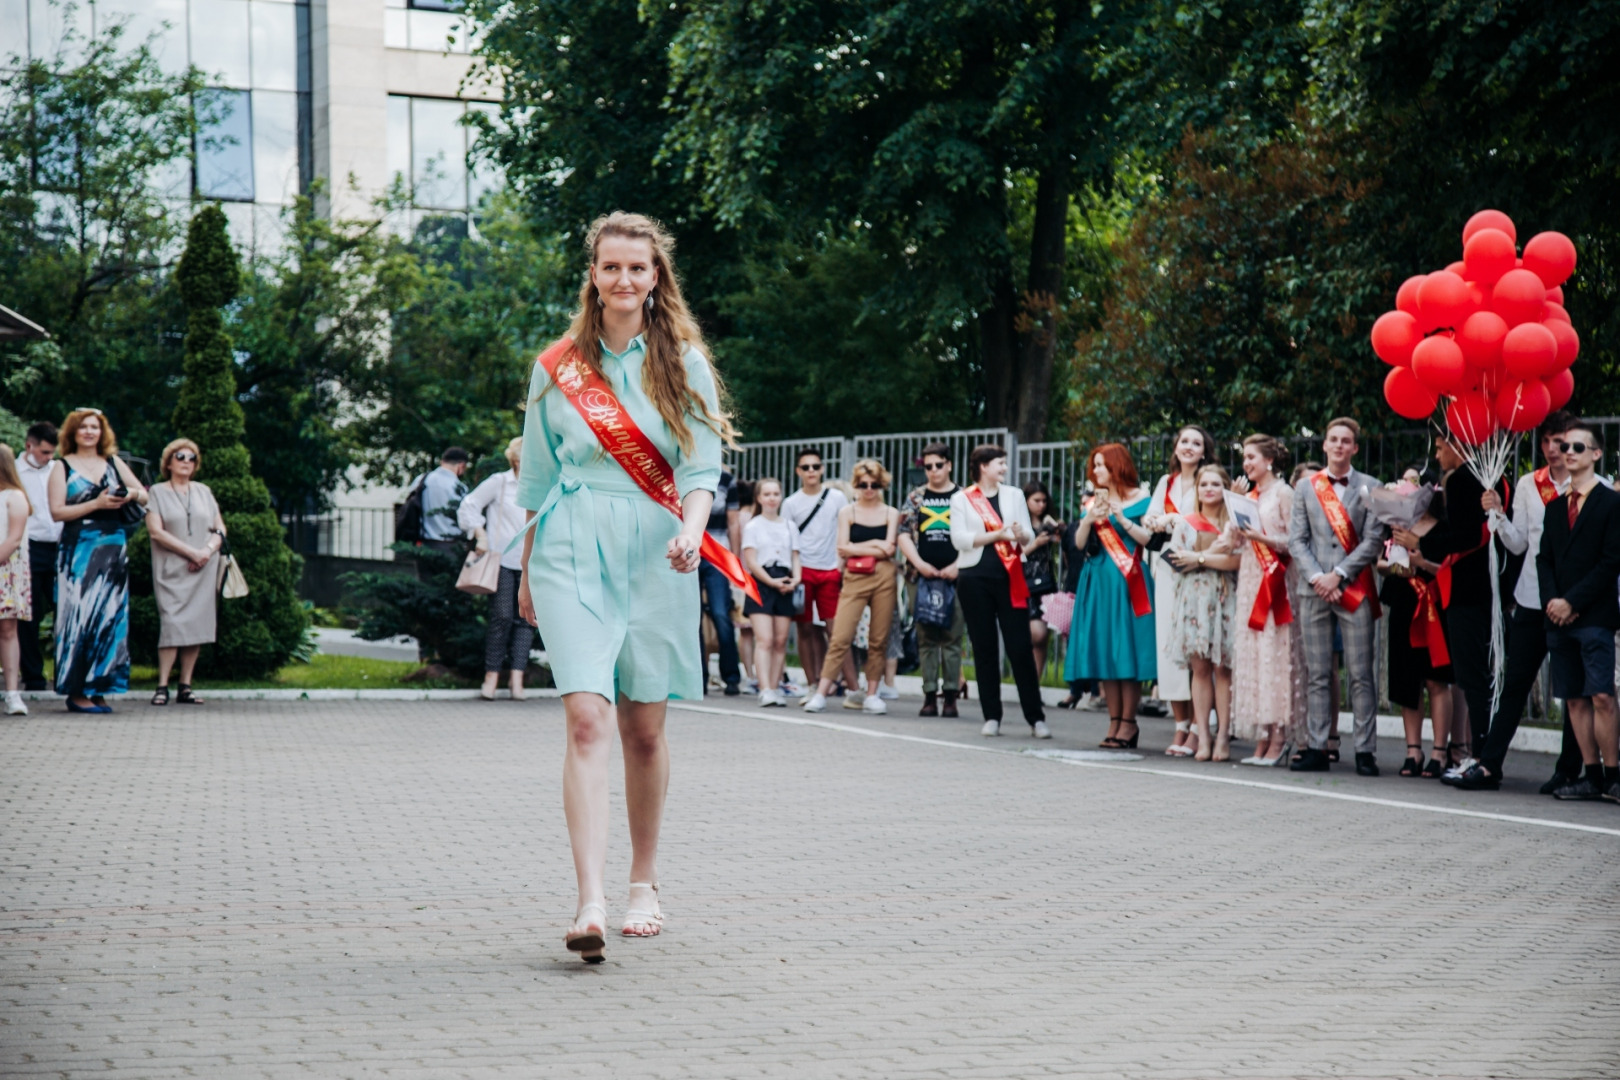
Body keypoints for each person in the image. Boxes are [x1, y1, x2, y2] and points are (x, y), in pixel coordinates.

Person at [514, 211, 736, 961]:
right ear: (594, 275)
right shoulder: (556, 366)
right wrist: (526, 573)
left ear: (656, 277)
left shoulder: (685, 365)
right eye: (611, 267)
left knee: (644, 730)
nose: (623, 279)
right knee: (586, 720)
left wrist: (690, 527)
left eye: (637, 268)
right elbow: (537, 480)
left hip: (656, 547)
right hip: (571, 544)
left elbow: (701, 471)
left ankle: (644, 881)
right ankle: (591, 901)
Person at [1450, 411, 1581, 791]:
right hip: (1530, 598)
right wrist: (1496, 515)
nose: (1553, 450)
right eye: (1546, 442)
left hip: (1571, 603)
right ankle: (1490, 763)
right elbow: (1518, 542)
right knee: (1514, 684)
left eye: (1561, 442)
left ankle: (1567, 770)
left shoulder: (1592, 486)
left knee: (1571, 689)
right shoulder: (1528, 484)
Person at [1390, 436, 1498, 775]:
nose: (1436, 455)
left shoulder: (1462, 489)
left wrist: (1421, 548)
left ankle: (1461, 753)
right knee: (1430, 678)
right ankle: (1438, 751)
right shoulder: (1399, 526)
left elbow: (1465, 542)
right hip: (1429, 595)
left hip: (1454, 595)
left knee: (1455, 678)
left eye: (1440, 447)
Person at [1288, 417, 1387, 775]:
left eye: (1347, 441)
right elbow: (1296, 540)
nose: (1340, 446)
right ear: (1325, 445)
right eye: (1334, 440)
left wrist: (1339, 574)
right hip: (1313, 589)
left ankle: (1365, 750)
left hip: (1354, 588)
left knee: (1361, 674)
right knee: (1317, 673)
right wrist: (1318, 577)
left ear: (1355, 448)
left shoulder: (1371, 486)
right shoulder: (1305, 487)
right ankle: (1317, 746)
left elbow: (1374, 540)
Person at [1533, 422, 1620, 802]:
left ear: (1596, 455)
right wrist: (1554, 602)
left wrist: (1573, 602)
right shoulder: (1554, 507)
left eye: (1577, 447)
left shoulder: (1611, 502)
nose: (1567, 452)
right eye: (1563, 445)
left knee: (1601, 695)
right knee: (1573, 698)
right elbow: (1544, 559)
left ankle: (1614, 775)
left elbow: (1610, 562)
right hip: (1559, 618)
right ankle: (1592, 774)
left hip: (1595, 615)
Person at [47, 408, 147, 714]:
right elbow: (56, 512)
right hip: (79, 549)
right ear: (73, 433)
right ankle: (77, 690)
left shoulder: (113, 462)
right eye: (84, 427)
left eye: (95, 427)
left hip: (113, 547)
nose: (90, 432)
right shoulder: (61, 467)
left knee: (109, 616)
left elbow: (144, 494)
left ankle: (100, 686)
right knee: (80, 615)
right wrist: (96, 503)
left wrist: (126, 493)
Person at [945, 445, 1043, 737]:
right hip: (973, 578)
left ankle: (1035, 717)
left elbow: (1028, 536)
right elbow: (959, 540)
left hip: (1010, 575)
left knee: (1020, 647)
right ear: (983, 466)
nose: (1003, 468)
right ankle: (992, 716)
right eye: (999, 463)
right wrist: (996, 535)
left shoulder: (1013, 495)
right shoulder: (961, 498)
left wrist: (1019, 533)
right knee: (984, 647)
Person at [1066, 443, 1156, 747]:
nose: (1097, 471)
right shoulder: (1092, 504)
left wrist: (1122, 516)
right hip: (1098, 580)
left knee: (1126, 652)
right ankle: (1114, 722)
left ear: (1118, 466)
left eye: (1102, 465)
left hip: (1128, 579)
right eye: (1095, 465)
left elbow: (1148, 538)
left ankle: (1129, 724)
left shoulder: (1142, 500)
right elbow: (1079, 545)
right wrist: (1089, 520)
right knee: (1106, 652)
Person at [1230, 435, 1306, 767]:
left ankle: (1279, 738)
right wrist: (1231, 505)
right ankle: (1262, 736)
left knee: (1275, 657)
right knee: (1255, 657)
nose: (1246, 464)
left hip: (1275, 581)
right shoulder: (1247, 495)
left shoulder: (1284, 494)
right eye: (1244, 458)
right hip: (1250, 578)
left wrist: (1261, 537)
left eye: (1251, 458)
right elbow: (1233, 543)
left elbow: (1294, 540)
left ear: (1269, 460)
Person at [802, 459, 899, 714]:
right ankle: (821, 693)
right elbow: (842, 547)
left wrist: (866, 548)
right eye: (864, 484)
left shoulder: (891, 513)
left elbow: (890, 549)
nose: (869, 489)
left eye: (875, 484)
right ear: (856, 485)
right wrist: (877, 545)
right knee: (840, 636)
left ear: (882, 485)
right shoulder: (848, 512)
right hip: (855, 576)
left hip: (884, 576)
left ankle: (871, 694)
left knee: (878, 639)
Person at [1145, 425, 1217, 753]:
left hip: (1197, 568)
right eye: (1184, 441)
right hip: (1166, 567)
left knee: (1196, 649)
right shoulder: (1166, 482)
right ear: (1175, 447)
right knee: (1169, 647)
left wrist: (1171, 521)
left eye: (1196, 443)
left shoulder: (1209, 479)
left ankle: (1202, 728)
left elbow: (1209, 520)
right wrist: (1154, 521)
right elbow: (1151, 516)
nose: (1188, 447)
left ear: (1205, 450)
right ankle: (1180, 726)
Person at [1163, 465, 1240, 760]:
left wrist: (1198, 557)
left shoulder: (1233, 522)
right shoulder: (1186, 522)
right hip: (1193, 600)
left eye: (1216, 484)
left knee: (1223, 668)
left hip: (1223, 596)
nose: (1209, 489)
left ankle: (1223, 737)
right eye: (1203, 484)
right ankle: (1202, 737)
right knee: (1200, 668)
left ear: (1225, 489)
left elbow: (1236, 562)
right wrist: (1208, 558)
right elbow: (1176, 560)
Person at [1377, 495, 1455, 778]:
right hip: (1404, 602)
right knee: (1406, 678)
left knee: (1437, 678)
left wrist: (1420, 557)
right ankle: (1413, 750)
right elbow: (1382, 563)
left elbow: (1450, 567)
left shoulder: (1445, 527)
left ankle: (1439, 751)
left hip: (1435, 605)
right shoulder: (1397, 526)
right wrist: (1399, 566)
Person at [145, 438, 226, 706]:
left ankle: (186, 685)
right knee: (173, 624)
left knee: (196, 625)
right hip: (172, 567)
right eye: (180, 456)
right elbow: (156, 532)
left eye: (192, 458)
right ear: (168, 462)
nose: (186, 462)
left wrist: (207, 551)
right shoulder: (157, 492)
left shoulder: (204, 491)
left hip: (203, 567)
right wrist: (191, 553)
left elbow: (220, 528)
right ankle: (162, 685)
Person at [459, 436, 536, 701]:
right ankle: (490, 677)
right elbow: (468, 505)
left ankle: (517, 680)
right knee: (502, 617)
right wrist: (480, 533)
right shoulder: (500, 483)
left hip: (532, 563)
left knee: (526, 621)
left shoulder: (541, 486)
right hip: (502, 560)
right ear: (516, 460)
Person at [898, 443, 966, 717]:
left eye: (939, 465)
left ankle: (951, 696)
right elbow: (903, 533)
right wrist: (920, 564)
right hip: (920, 576)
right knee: (925, 637)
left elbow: (978, 536)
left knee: (952, 637)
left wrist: (957, 566)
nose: (934, 471)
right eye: (928, 466)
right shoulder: (916, 497)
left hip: (956, 577)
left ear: (949, 464)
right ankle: (928, 696)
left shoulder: (964, 497)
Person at [783, 448, 852, 694]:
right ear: (798, 471)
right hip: (803, 571)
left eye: (815, 466)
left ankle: (849, 685)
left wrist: (840, 565)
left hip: (831, 569)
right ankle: (813, 683)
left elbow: (846, 530)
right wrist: (793, 573)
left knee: (836, 630)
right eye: (806, 467)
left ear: (822, 469)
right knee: (804, 628)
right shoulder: (790, 503)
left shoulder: (836, 498)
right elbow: (787, 540)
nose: (811, 471)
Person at [740, 477, 801, 707]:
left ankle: (775, 687)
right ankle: (764, 688)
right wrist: (772, 582)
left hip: (784, 581)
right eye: (767, 494)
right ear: (759, 498)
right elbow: (752, 562)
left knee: (780, 640)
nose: (772, 498)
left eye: (776, 493)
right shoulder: (753, 526)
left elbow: (795, 557)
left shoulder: (789, 526)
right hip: (762, 583)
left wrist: (796, 579)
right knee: (764, 639)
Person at [14, 422, 59, 692]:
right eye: (44, 452)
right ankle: (33, 676)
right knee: (28, 614)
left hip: (59, 544)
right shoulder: (15, 473)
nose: (48, 457)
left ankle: (65, 672)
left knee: (64, 608)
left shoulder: (58, 469)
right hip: (29, 544)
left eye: (52, 452)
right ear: (29, 446)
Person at [698, 467, 743, 695]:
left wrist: (735, 562)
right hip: (689, 552)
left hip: (717, 554)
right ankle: (699, 678)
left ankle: (731, 677)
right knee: (691, 617)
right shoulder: (680, 473)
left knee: (720, 614)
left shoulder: (725, 480)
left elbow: (733, 523)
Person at [1021, 481, 1064, 681]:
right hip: (1024, 580)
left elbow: (1063, 542)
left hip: (1045, 582)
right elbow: (1012, 554)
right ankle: (1027, 680)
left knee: (1042, 636)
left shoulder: (1048, 523)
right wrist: (1035, 543)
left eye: (1044, 501)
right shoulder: (1020, 524)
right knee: (1033, 634)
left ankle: (1034, 683)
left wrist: (1056, 527)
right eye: (1036, 501)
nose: (1041, 505)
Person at [1, 444, 32, 716]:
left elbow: (13, 537)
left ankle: (12, 693)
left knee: (7, 631)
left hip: (5, 572)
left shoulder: (14, 496)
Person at [420, 447, 469, 553]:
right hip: (451, 545)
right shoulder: (459, 487)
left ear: (442, 462)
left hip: (424, 544)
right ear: (461, 465)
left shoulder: (421, 480)